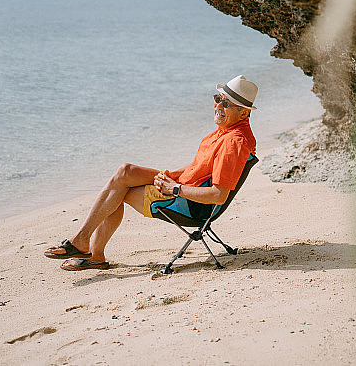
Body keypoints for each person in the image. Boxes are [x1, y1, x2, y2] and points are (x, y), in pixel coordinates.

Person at [44, 75, 258, 270]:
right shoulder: (227, 130)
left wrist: (174, 188)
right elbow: (201, 166)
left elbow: (218, 195)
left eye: (226, 104)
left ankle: (88, 249)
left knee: (118, 194)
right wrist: (170, 175)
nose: (218, 106)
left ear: (243, 112)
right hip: (183, 185)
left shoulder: (234, 141)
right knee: (125, 171)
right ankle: (85, 245)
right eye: (217, 98)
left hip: (192, 206)